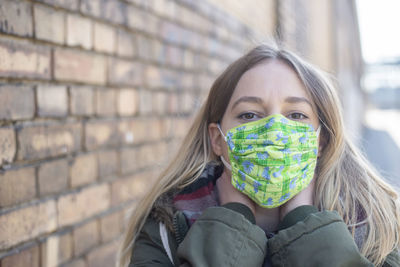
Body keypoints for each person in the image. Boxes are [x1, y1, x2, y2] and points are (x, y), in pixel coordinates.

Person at [117, 44, 400, 267]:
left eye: (296, 115)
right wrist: (232, 223)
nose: (274, 131)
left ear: (320, 140)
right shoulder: (166, 226)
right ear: (218, 139)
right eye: (249, 114)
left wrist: (303, 221)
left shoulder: (377, 227)